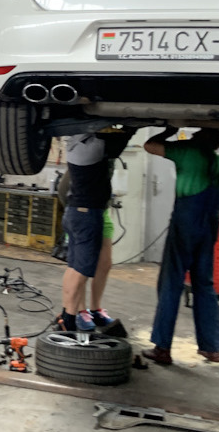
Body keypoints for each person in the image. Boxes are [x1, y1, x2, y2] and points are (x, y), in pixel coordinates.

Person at [142, 126, 219, 364]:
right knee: (204, 284)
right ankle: (211, 348)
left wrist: (168, 130)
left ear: (201, 139)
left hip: (186, 223)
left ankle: (162, 348)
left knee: (171, 282)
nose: (192, 135)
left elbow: (149, 146)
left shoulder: (189, 151)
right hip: (210, 225)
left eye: (196, 133)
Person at [56, 129, 131, 332]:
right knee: (82, 269)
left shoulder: (79, 146)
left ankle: (74, 314)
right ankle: (71, 316)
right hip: (85, 213)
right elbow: (120, 140)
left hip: (87, 212)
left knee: (81, 266)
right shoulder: (94, 146)